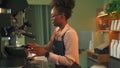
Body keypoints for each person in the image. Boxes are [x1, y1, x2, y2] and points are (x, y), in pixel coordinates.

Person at [27, 0, 80, 68]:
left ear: (62, 16)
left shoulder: (70, 33)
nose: (51, 19)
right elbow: (49, 47)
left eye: (53, 16)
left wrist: (46, 54)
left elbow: (69, 61)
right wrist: (37, 48)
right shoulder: (57, 31)